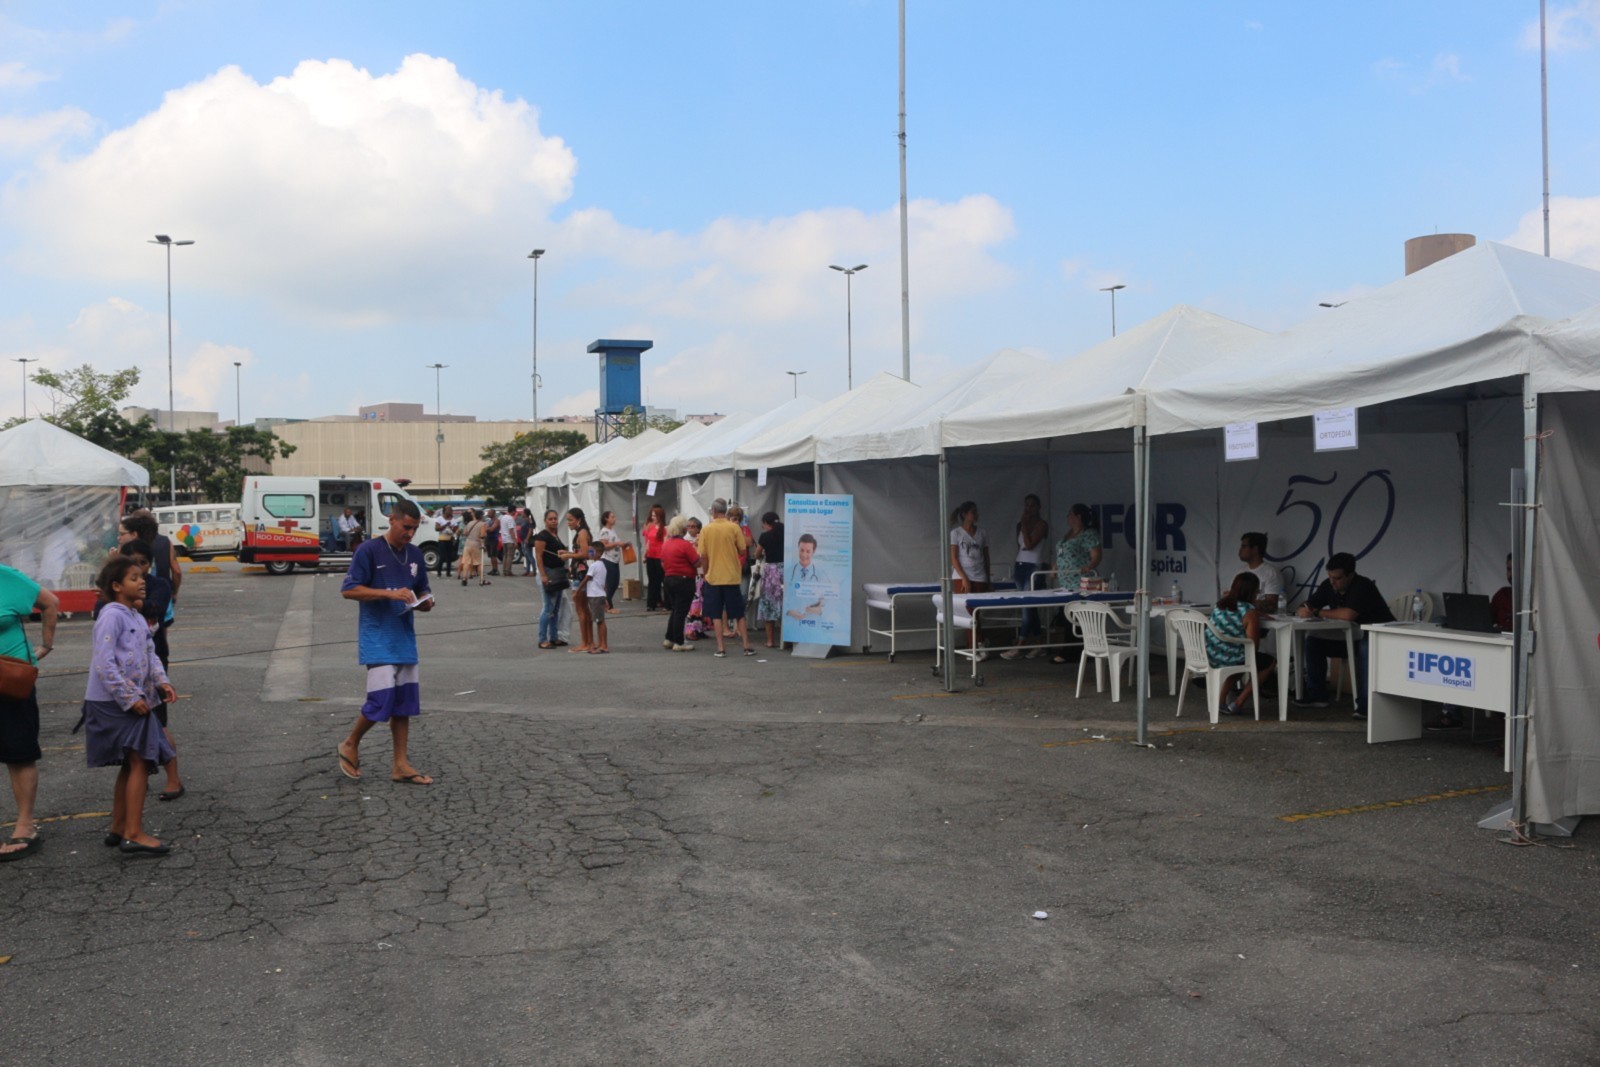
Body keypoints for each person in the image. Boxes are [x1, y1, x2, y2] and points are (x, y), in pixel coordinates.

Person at [81, 556, 177, 856]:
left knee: (131, 762)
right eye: (134, 578)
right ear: (116, 586)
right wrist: (129, 697)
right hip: (114, 702)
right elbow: (104, 662)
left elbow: (150, 654)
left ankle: (120, 826)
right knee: (140, 762)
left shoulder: (135, 615)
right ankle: (133, 833)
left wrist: (161, 681)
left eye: (141, 577)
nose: (142, 582)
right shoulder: (111, 615)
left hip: (135, 699)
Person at [336, 499, 434, 785]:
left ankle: (400, 764)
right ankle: (350, 743)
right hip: (377, 638)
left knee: (404, 703)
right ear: (392, 520)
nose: (410, 534)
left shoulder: (415, 555)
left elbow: (423, 590)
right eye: (406, 527)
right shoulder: (368, 550)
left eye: (415, 529)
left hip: (404, 639)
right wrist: (390, 594)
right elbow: (349, 590)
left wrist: (425, 602)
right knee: (382, 699)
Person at [0, 555, 58, 863]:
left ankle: (25, 826)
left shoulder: (6, 577)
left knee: (19, 752)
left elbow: (50, 603)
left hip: (9, 681)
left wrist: (45, 645)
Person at [116, 541, 185, 801]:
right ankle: (138, 777)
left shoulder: (158, 584)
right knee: (129, 726)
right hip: (123, 668)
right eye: (132, 565)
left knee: (157, 722)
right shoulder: (116, 589)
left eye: (143, 564)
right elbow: (100, 612)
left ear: (150, 564)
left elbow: (156, 607)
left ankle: (173, 778)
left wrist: (126, 599)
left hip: (153, 661)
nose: (139, 570)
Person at [1294, 551, 1394, 719]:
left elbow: (1348, 615)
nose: (1332, 581)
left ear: (1350, 575)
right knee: (1313, 642)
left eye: (1337, 578)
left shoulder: (1363, 585)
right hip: (1351, 638)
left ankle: (1365, 705)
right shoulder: (1329, 585)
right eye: (1330, 577)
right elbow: (1307, 605)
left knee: (1366, 646)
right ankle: (1317, 695)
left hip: (1380, 638)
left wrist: (1317, 612)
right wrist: (1302, 610)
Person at [1207, 571, 1276, 715]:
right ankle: (1238, 703)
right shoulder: (1249, 612)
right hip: (1229, 658)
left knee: (1241, 659)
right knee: (1267, 662)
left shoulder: (1219, 605)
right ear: (1253, 592)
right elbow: (1253, 645)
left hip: (1210, 655)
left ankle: (1220, 700)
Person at [120, 509, 182, 668]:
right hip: (160, 595)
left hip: (136, 606)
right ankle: (160, 663)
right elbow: (176, 570)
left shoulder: (128, 550)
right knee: (159, 632)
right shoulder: (165, 542)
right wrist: (174, 592)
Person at [697, 499, 753, 657]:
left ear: (713, 511)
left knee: (716, 614)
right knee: (738, 612)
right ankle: (746, 646)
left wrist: (705, 572)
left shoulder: (706, 530)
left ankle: (721, 648)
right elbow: (742, 551)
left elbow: (703, 556)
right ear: (725, 511)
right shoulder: (734, 528)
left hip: (714, 577)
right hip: (731, 576)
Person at [1051, 504, 1103, 664]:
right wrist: (1054, 567)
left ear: (1078, 516)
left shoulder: (1088, 534)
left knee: (1075, 616)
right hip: (1065, 582)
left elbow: (1096, 555)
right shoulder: (1068, 534)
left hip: (1079, 582)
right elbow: (1062, 554)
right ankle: (1076, 650)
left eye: (1070, 514)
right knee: (1068, 615)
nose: (1067, 517)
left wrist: (1089, 566)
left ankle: (1071, 651)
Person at [1002, 494, 1050, 659]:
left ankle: (1020, 644)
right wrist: (1022, 525)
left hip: (1033, 566)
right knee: (1030, 606)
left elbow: (1029, 545)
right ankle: (1039, 644)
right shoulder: (1019, 525)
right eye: (1026, 505)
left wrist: (1023, 524)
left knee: (1027, 606)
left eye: (1032, 505)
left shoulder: (1042, 524)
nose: (1029, 508)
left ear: (1038, 507)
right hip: (1020, 565)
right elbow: (1020, 546)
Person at [949, 501, 992, 660]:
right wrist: (964, 578)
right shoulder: (956, 533)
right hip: (961, 576)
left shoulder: (982, 533)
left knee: (976, 613)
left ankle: (973, 646)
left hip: (979, 575)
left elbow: (986, 557)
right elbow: (954, 558)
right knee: (968, 612)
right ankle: (978, 644)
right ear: (964, 515)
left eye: (976, 512)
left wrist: (988, 579)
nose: (976, 515)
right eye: (973, 512)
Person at [660, 515, 700, 651]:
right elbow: (697, 562)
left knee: (675, 610)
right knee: (681, 612)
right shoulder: (685, 545)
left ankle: (669, 638)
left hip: (668, 579)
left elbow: (662, 563)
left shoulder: (666, 544)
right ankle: (679, 642)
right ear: (683, 529)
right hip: (684, 580)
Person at [560, 509, 596, 653]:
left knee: (581, 610)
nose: (568, 523)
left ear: (579, 520)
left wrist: (568, 556)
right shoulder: (584, 532)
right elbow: (587, 553)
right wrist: (568, 553)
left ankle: (585, 643)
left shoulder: (582, 533)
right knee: (585, 610)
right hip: (581, 571)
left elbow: (585, 554)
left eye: (570, 520)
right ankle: (589, 641)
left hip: (579, 574)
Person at [531, 509, 568, 649]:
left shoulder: (555, 535)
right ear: (545, 521)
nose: (554, 521)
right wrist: (543, 575)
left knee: (556, 609)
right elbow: (538, 557)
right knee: (548, 608)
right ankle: (542, 639)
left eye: (555, 518)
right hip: (548, 573)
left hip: (557, 574)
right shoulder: (542, 536)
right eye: (550, 519)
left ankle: (553, 637)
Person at [753, 511, 785, 648]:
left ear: (766, 523)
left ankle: (770, 641)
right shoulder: (786, 533)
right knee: (785, 605)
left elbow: (756, 554)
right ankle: (787, 640)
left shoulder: (765, 536)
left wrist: (763, 552)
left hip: (771, 572)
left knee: (769, 604)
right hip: (785, 571)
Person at [1235, 532, 1284, 598]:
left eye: (1244, 546)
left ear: (1255, 549)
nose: (1240, 550)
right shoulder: (1240, 571)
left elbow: (1271, 602)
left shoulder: (1271, 573)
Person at [582, 547, 610, 654]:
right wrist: (605, 597)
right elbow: (603, 583)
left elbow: (587, 578)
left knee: (600, 621)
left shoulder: (594, 566)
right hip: (598, 595)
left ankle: (604, 646)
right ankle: (601, 643)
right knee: (598, 621)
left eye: (591, 551)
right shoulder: (602, 565)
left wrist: (578, 590)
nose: (589, 553)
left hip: (595, 595)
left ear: (598, 553)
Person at [643, 504, 668, 612]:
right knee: (652, 580)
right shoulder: (650, 526)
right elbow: (648, 541)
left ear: (659, 516)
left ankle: (667, 603)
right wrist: (645, 554)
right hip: (651, 556)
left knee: (663, 580)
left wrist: (664, 557)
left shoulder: (665, 529)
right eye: (652, 515)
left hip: (660, 556)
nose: (653, 517)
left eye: (655, 516)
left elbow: (666, 543)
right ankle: (651, 604)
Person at [596, 511, 624, 609]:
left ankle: (608, 603)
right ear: (606, 519)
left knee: (615, 582)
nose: (614, 519)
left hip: (615, 560)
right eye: (612, 517)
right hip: (608, 559)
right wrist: (617, 543)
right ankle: (607, 604)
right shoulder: (604, 531)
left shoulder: (612, 530)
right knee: (611, 583)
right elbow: (603, 546)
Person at [459, 508, 487, 586]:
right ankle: (481, 579)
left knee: (466, 562)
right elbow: (482, 535)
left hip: (467, 544)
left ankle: (464, 577)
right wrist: (483, 544)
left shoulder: (470, 523)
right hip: (476, 544)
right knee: (479, 562)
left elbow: (464, 533)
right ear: (481, 516)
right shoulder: (483, 524)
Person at [433, 505, 459, 578]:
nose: (450, 511)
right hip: (442, 540)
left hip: (450, 539)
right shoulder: (440, 518)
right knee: (442, 556)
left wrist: (452, 528)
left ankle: (448, 572)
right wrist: (445, 525)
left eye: (451, 510)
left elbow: (456, 529)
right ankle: (439, 572)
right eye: (449, 510)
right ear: (444, 511)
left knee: (449, 557)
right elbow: (436, 528)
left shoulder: (453, 519)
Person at [497, 507, 518, 577]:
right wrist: (515, 541)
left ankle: (504, 571)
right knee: (510, 556)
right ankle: (508, 571)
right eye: (515, 511)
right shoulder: (510, 518)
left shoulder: (503, 518)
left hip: (504, 539)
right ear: (513, 511)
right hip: (510, 539)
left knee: (505, 555)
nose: (515, 512)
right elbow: (511, 530)